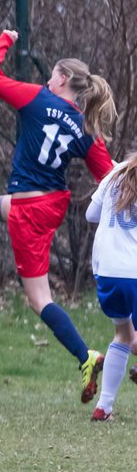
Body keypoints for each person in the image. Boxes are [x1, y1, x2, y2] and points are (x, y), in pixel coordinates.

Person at [0, 29, 116, 401]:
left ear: (63, 79)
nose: (46, 80)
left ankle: (86, 356)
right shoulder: (85, 127)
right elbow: (109, 178)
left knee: (40, 300)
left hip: (29, 211)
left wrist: (5, 38)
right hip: (49, 205)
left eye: (51, 75)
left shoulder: (38, 99)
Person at [85, 148, 137, 420]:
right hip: (135, 271)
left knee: (124, 335)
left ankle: (103, 407)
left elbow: (90, 215)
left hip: (107, 272)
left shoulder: (114, 174)